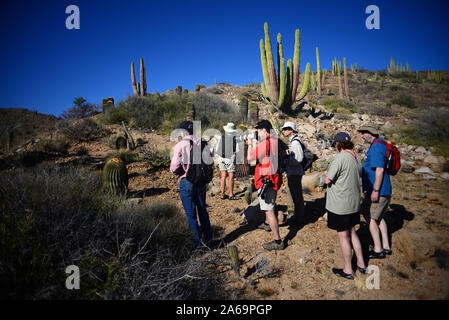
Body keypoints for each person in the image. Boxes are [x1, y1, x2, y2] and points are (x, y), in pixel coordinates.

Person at [324, 132, 367, 280]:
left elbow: (328, 180)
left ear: (338, 144)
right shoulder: (356, 157)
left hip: (341, 204)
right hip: (354, 202)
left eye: (335, 144)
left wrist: (325, 174)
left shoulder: (339, 157)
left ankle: (348, 270)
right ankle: (361, 264)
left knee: (343, 236)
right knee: (352, 232)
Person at [170, 121, 213, 247]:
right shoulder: (204, 143)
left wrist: (181, 171)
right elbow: (210, 162)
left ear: (182, 132)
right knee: (203, 211)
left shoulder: (180, 145)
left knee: (191, 214)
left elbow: (174, 168)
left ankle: (197, 244)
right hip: (201, 182)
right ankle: (209, 239)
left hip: (187, 182)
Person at [247, 120, 284, 251]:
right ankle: (267, 224)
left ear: (264, 130)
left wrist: (250, 144)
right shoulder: (276, 140)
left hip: (266, 181)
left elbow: (250, 157)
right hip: (275, 178)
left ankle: (278, 241)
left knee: (269, 210)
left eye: (258, 130)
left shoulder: (265, 143)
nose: (257, 132)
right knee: (270, 205)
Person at [357, 125, 392, 259]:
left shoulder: (377, 146)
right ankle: (386, 245)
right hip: (382, 189)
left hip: (379, 190)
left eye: (363, 133)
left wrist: (375, 190)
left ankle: (378, 249)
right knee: (379, 217)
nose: (362, 136)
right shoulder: (380, 145)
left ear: (370, 133)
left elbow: (379, 170)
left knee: (372, 219)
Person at [281, 121, 306, 225]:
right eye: (284, 129)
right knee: (296, 195)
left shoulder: (295, 142)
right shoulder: (293, 141)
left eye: (286, 129)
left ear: (291, 130)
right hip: (294, 172)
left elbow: (299, 158)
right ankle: (298, 215)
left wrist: (287, 161)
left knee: (296, 195)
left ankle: (299, 218)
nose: (284, 131)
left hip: (295, 172)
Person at [216, 122, 239, 200]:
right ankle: (231, 194)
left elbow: (217, 149)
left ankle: (222, 194)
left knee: (223, 177)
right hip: (230, 158)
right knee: (231, 177)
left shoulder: (222, 137)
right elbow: (237, 150)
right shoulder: (234, 138)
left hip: (221, 158)